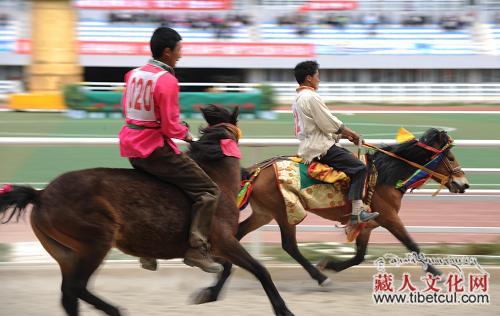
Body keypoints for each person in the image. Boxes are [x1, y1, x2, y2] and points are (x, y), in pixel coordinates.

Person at [118, 27, 222, 273]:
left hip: (131, 148)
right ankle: (197, 249)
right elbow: (170, 125)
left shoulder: (133, 74)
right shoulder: (167, 80)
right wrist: (185, 133)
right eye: (179, 50)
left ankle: (146, 249)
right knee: (209, 190)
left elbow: (127, 110)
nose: (181, 55)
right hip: (154, 149)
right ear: (167, 52)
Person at [292, 60, 379, 225]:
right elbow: (328, 122)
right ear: (309, 78)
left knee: (352, 162)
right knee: (360, 168)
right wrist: (350, 133)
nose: (319, 79)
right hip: (320, 148)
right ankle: (356, 213)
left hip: (309, 146)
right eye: (317, 76)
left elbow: (319, 126)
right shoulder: (311, 97)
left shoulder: (297, 98)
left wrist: (344, 136)